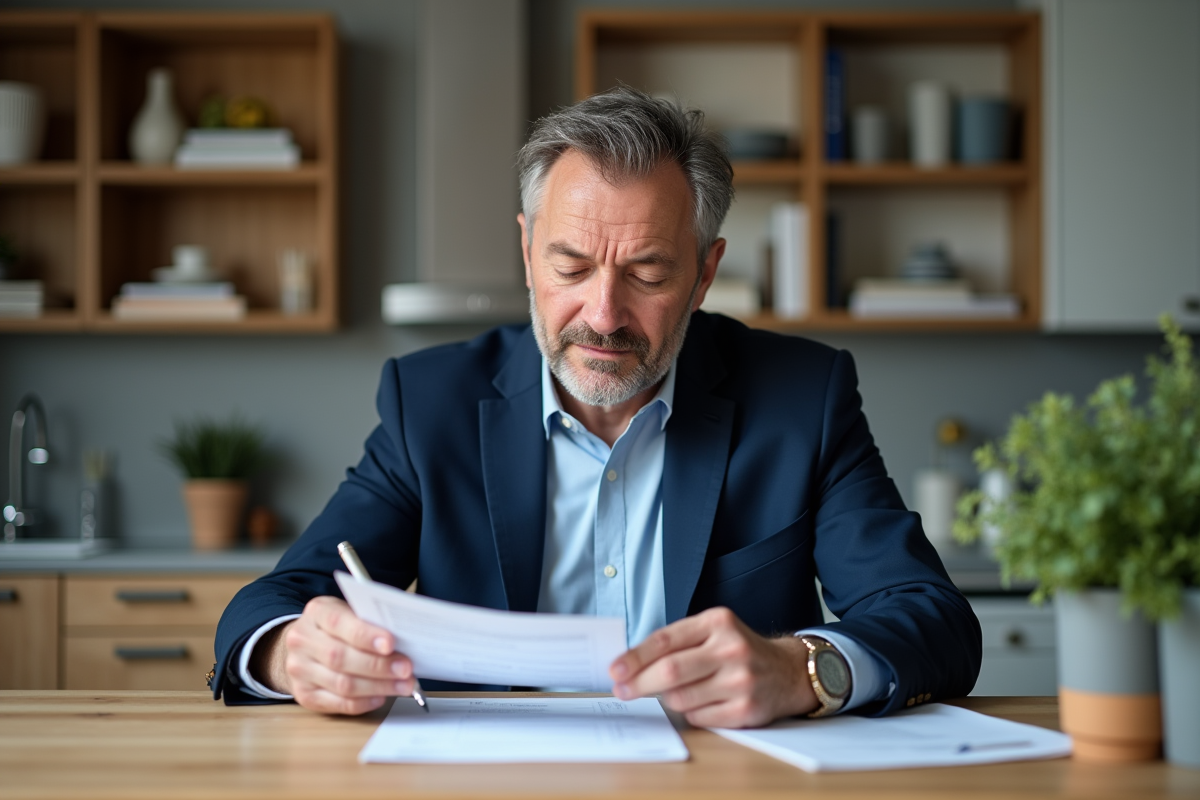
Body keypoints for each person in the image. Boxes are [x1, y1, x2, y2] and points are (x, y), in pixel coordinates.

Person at [212, 87, 980, 728]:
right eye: (571, 266)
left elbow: (932, 618)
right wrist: (292, 651)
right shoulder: (431, 404)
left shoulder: (801, 397)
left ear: (705, 272)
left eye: (647, 272)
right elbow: (271, 604)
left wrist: (807, 668)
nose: (603, 315)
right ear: (527, 252)